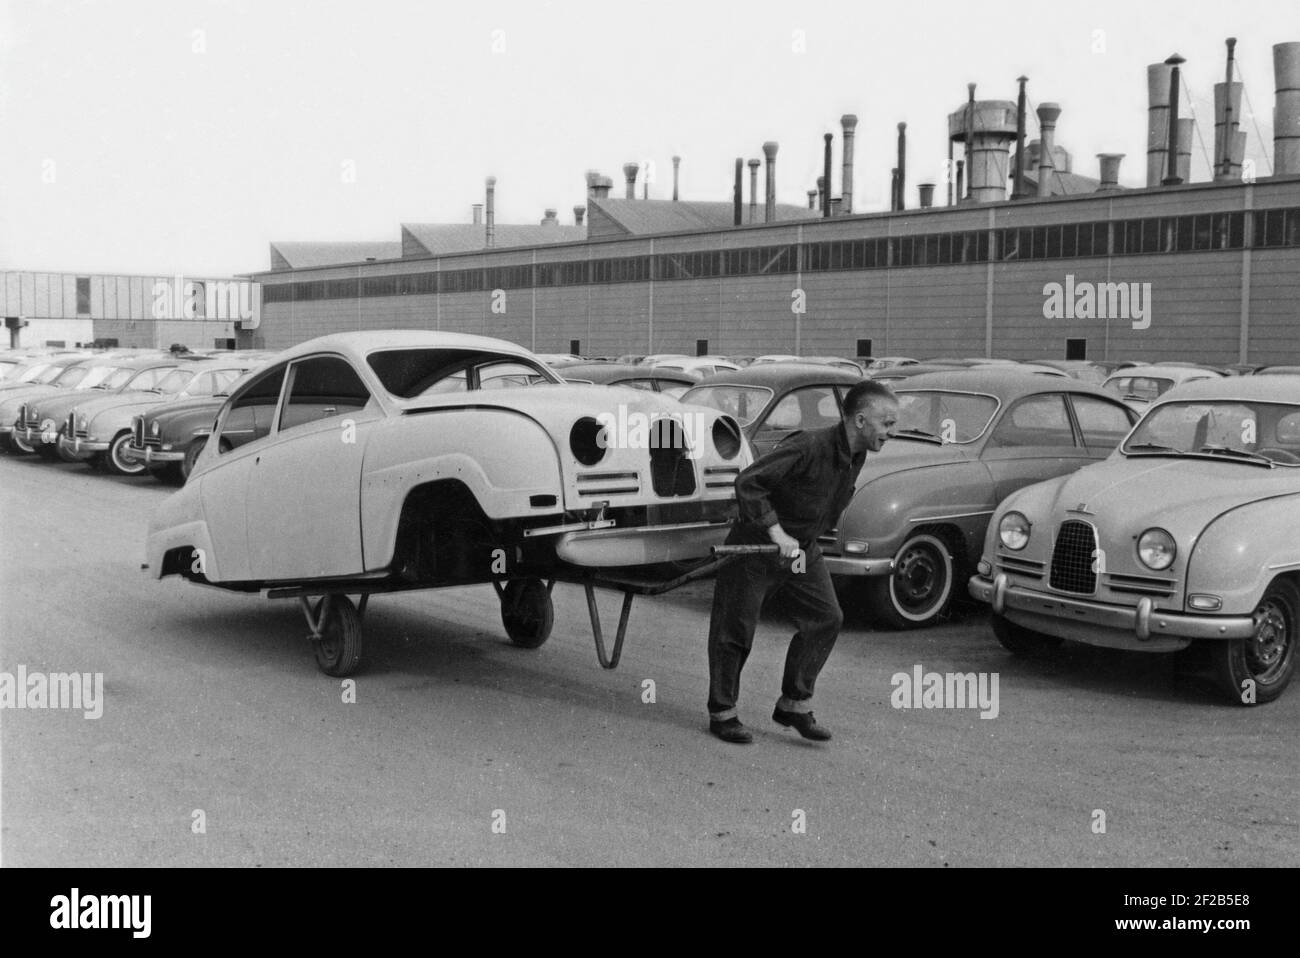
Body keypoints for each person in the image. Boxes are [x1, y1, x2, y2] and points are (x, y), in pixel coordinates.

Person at [706, 379, 898, 744]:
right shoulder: (808, 445)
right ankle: (723, 713)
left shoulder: (855, 455)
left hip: (800, 552)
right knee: (736, 630)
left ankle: (794, 704)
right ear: (860, 420)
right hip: (758, 548)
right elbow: (749, 482)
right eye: (887, 423)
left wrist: (798, 541)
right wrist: (776, 532)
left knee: (826, 618)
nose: (892, 432)